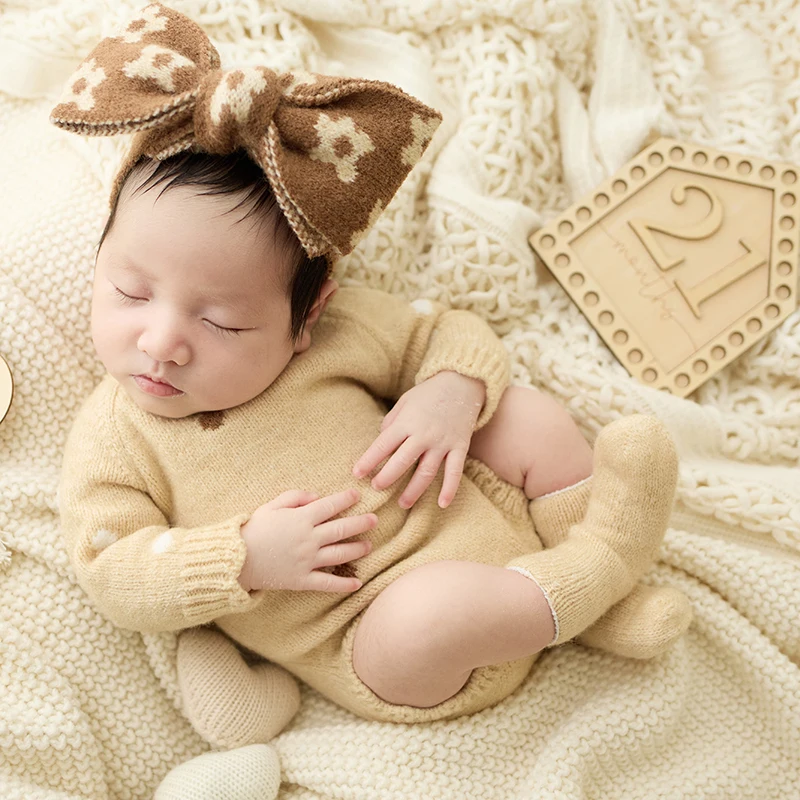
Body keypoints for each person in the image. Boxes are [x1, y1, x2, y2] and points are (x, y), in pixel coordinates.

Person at [53, 3, 692, 795]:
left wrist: (449, 395)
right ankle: (605, 571)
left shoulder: (339, 337)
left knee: (525, 416)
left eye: (221, 321)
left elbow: (448, 331)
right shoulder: (117, 438)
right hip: (379, 640)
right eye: (129, 292)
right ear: (100, 262)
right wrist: (243, 557)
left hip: (480, 520)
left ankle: (587, 589)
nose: (161, 341)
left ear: (301, 323)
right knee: (428, 620)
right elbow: (110, 571)